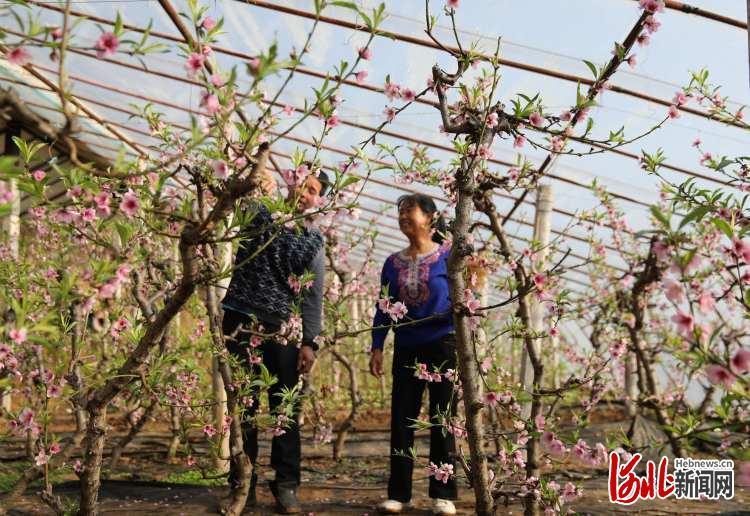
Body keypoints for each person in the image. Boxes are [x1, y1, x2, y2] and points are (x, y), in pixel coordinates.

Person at [221, 165, 328, 514]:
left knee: (285, 408)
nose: (305, 193)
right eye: (303, 185)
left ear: (319, 200)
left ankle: (286, 485)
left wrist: (310, 341)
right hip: (239, 320)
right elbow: (235, 207)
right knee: (244, 408)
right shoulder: (259, 213)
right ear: (291, 183)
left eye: (313, 191)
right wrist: (252, 180)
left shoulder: (313, 241)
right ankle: (242, 485)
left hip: (281, 329)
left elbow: (313, 296)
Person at [369, 193, 458, 515]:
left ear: (431, 217)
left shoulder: (450, 256)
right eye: (401, 212)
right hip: (406, 346)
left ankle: (443, 492)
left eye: (410, 211)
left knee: (442, 419)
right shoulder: (392, 263)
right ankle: (400, 493)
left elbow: (466, 299)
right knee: (402, 419)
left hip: (443, 344)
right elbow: (383, 307)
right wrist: (377, 345)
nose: (404, 217)